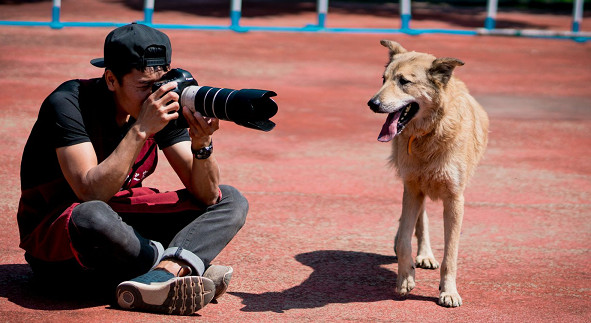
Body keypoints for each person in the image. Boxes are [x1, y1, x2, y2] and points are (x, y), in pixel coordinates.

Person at [16, 23, 249, 315]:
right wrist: (140, 130)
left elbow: (205, 195)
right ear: (111, 79)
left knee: (228, 199)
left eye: (159, 85)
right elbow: (91, 192)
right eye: (143, 87)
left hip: (126, 234)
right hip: (65, 245)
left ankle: (162, 275)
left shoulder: (157, 103)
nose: (154, 96)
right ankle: (180, 267)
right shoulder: (68, 102)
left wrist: (202, 144)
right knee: (92, 215)